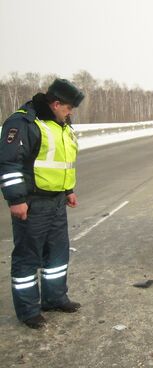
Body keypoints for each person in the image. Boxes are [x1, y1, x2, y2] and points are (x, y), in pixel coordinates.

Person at [0, 78, 85, 329]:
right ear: (56, 103)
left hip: (57, 202)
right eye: (68, 108)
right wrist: (16, 199)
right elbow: (10, 163)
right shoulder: (24, 121)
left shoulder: (61, 125)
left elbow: (63, 160)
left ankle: (55, 298)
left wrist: (68, 190)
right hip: (32, 202)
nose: (70, 113)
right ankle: (28, 311)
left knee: (57, 254)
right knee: (28, 257)